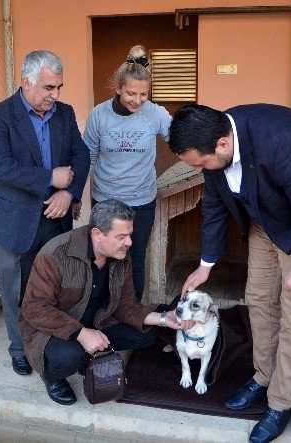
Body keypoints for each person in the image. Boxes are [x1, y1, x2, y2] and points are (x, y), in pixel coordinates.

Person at [168, 104, 291, 443]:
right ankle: (264, 375)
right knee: (258, 298)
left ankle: (281, 403)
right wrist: (205, 263)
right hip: (266, 220)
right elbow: (213, 203)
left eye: (200, 163)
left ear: (223, 145)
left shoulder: (283, 141)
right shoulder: (212, 139)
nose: (199, 170)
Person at [0, 50, 90, 377]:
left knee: (53, 288)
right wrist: (49, 178)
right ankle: (20, 350)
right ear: (26, 82)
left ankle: (50, 342)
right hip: (14, 222)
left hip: (55, 219)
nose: (55, 95)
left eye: (59, 87)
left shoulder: (64, 113)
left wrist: (68, 193)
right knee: (15, 292)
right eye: (48, 88)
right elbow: (0, 167)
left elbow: (81, 156)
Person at [19, 199, 189, 405]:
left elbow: (125, 303)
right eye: (121, 237)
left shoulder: (120, 255)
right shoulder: (55, 254)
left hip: (96, 321)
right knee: (69, 357)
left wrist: (162, 318)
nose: (129, 242)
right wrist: (81, 334)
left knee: (147, 334)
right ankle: (51, 376)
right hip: (52, 328)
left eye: (129, 235)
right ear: (97, 234)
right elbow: (35, 308)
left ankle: (89, 353)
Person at [83, 45, 172, 301]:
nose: (137, 100)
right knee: (103, 256)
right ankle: (100, 310)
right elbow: (88, 154)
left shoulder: (154, 113)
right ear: (119, 88)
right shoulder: (99, 115)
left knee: (134, 257)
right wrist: (76, 195)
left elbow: (177, 137)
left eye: (144, 94)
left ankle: (130, 310)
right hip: (106, 199)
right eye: (131, 93)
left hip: (141, 200)